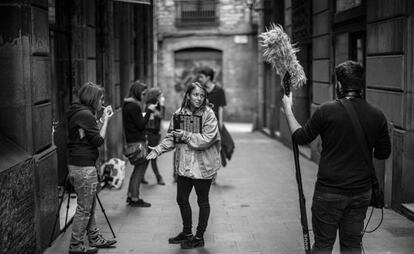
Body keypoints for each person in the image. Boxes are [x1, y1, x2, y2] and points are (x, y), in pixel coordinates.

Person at [281, 61, 391, 254]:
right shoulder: (377, 115)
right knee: (352, 245)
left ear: (339, 85)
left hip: (329, 191)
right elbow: (383, 153)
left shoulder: (326, 110)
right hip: (360, 193)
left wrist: (288, 110)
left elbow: (301, 137)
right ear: (361, 85)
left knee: (323, 245)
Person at [146, 82, 221, 249]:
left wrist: (187, 135)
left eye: (202, 95)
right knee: (181, 199)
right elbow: (172, 137)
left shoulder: (209, 115)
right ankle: (187, 233)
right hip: (184, 166)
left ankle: (199, 236)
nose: (199, 98)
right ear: (188, 95)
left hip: (203, 166)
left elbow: (208, 139)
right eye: (195, 95)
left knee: (202, 201)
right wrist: (158, 149)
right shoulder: (179, 114)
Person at [66, 82, 117, 254]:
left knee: (90, 205)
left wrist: (101, 118)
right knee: (85, 208)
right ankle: (75, 245)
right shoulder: (85, 114)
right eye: (101, 98)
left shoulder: (79, 112)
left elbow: (89, 134)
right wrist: (107, 121)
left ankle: (94, 237)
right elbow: (98, 141)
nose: (102, 101)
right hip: (83, 167)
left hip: (79, 164)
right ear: (93, 98)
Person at [122, 81, 157, 207]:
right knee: (139, 170)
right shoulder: (134, 106)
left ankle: (131, 196)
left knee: (137, 169)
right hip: (138, 142)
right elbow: (141, 124)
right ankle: (135, 198)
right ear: (137, 92)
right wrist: (149, 111)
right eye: (143, 94)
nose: (144, 96)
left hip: (133, 140)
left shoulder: (127, 104)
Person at [143, 87, 166, 185]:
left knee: (149, 157)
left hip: (156, 133)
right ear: (155, 96)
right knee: (153, 156)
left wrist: (162, 105)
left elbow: (161, 116)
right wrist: (162, 104)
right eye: (160, 95)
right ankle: (159, 177)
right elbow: (159, 115)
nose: (162, 97)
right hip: (150, 134)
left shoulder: (158, 105)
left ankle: (140, 176)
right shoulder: (150, 106)